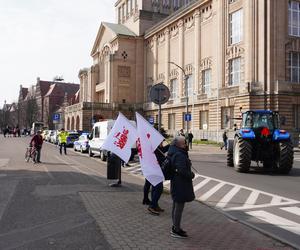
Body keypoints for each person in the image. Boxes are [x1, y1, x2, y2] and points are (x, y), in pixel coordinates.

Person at [168, 136, 195, 238]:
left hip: (177, 183)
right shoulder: (179, 155)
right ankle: (176, 229)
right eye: (184, 143)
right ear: (179, 145)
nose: (186, 145)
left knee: (176, 205)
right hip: (180, 184)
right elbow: (182, 170)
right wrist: (191, 174)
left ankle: (175, 226)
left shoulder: (176, 152)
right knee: (178, 207)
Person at [147, 143, 170, 215]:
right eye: (161, 142)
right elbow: (157, 159)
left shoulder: (157, 148)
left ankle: (155, 205)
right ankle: (152, 206)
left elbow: (162, 150)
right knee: (159, 188)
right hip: (154, 171)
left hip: (155, 171)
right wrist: (166, 158)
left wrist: (169, 145)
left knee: (155, 188)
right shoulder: (153, 148)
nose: (162, 143)